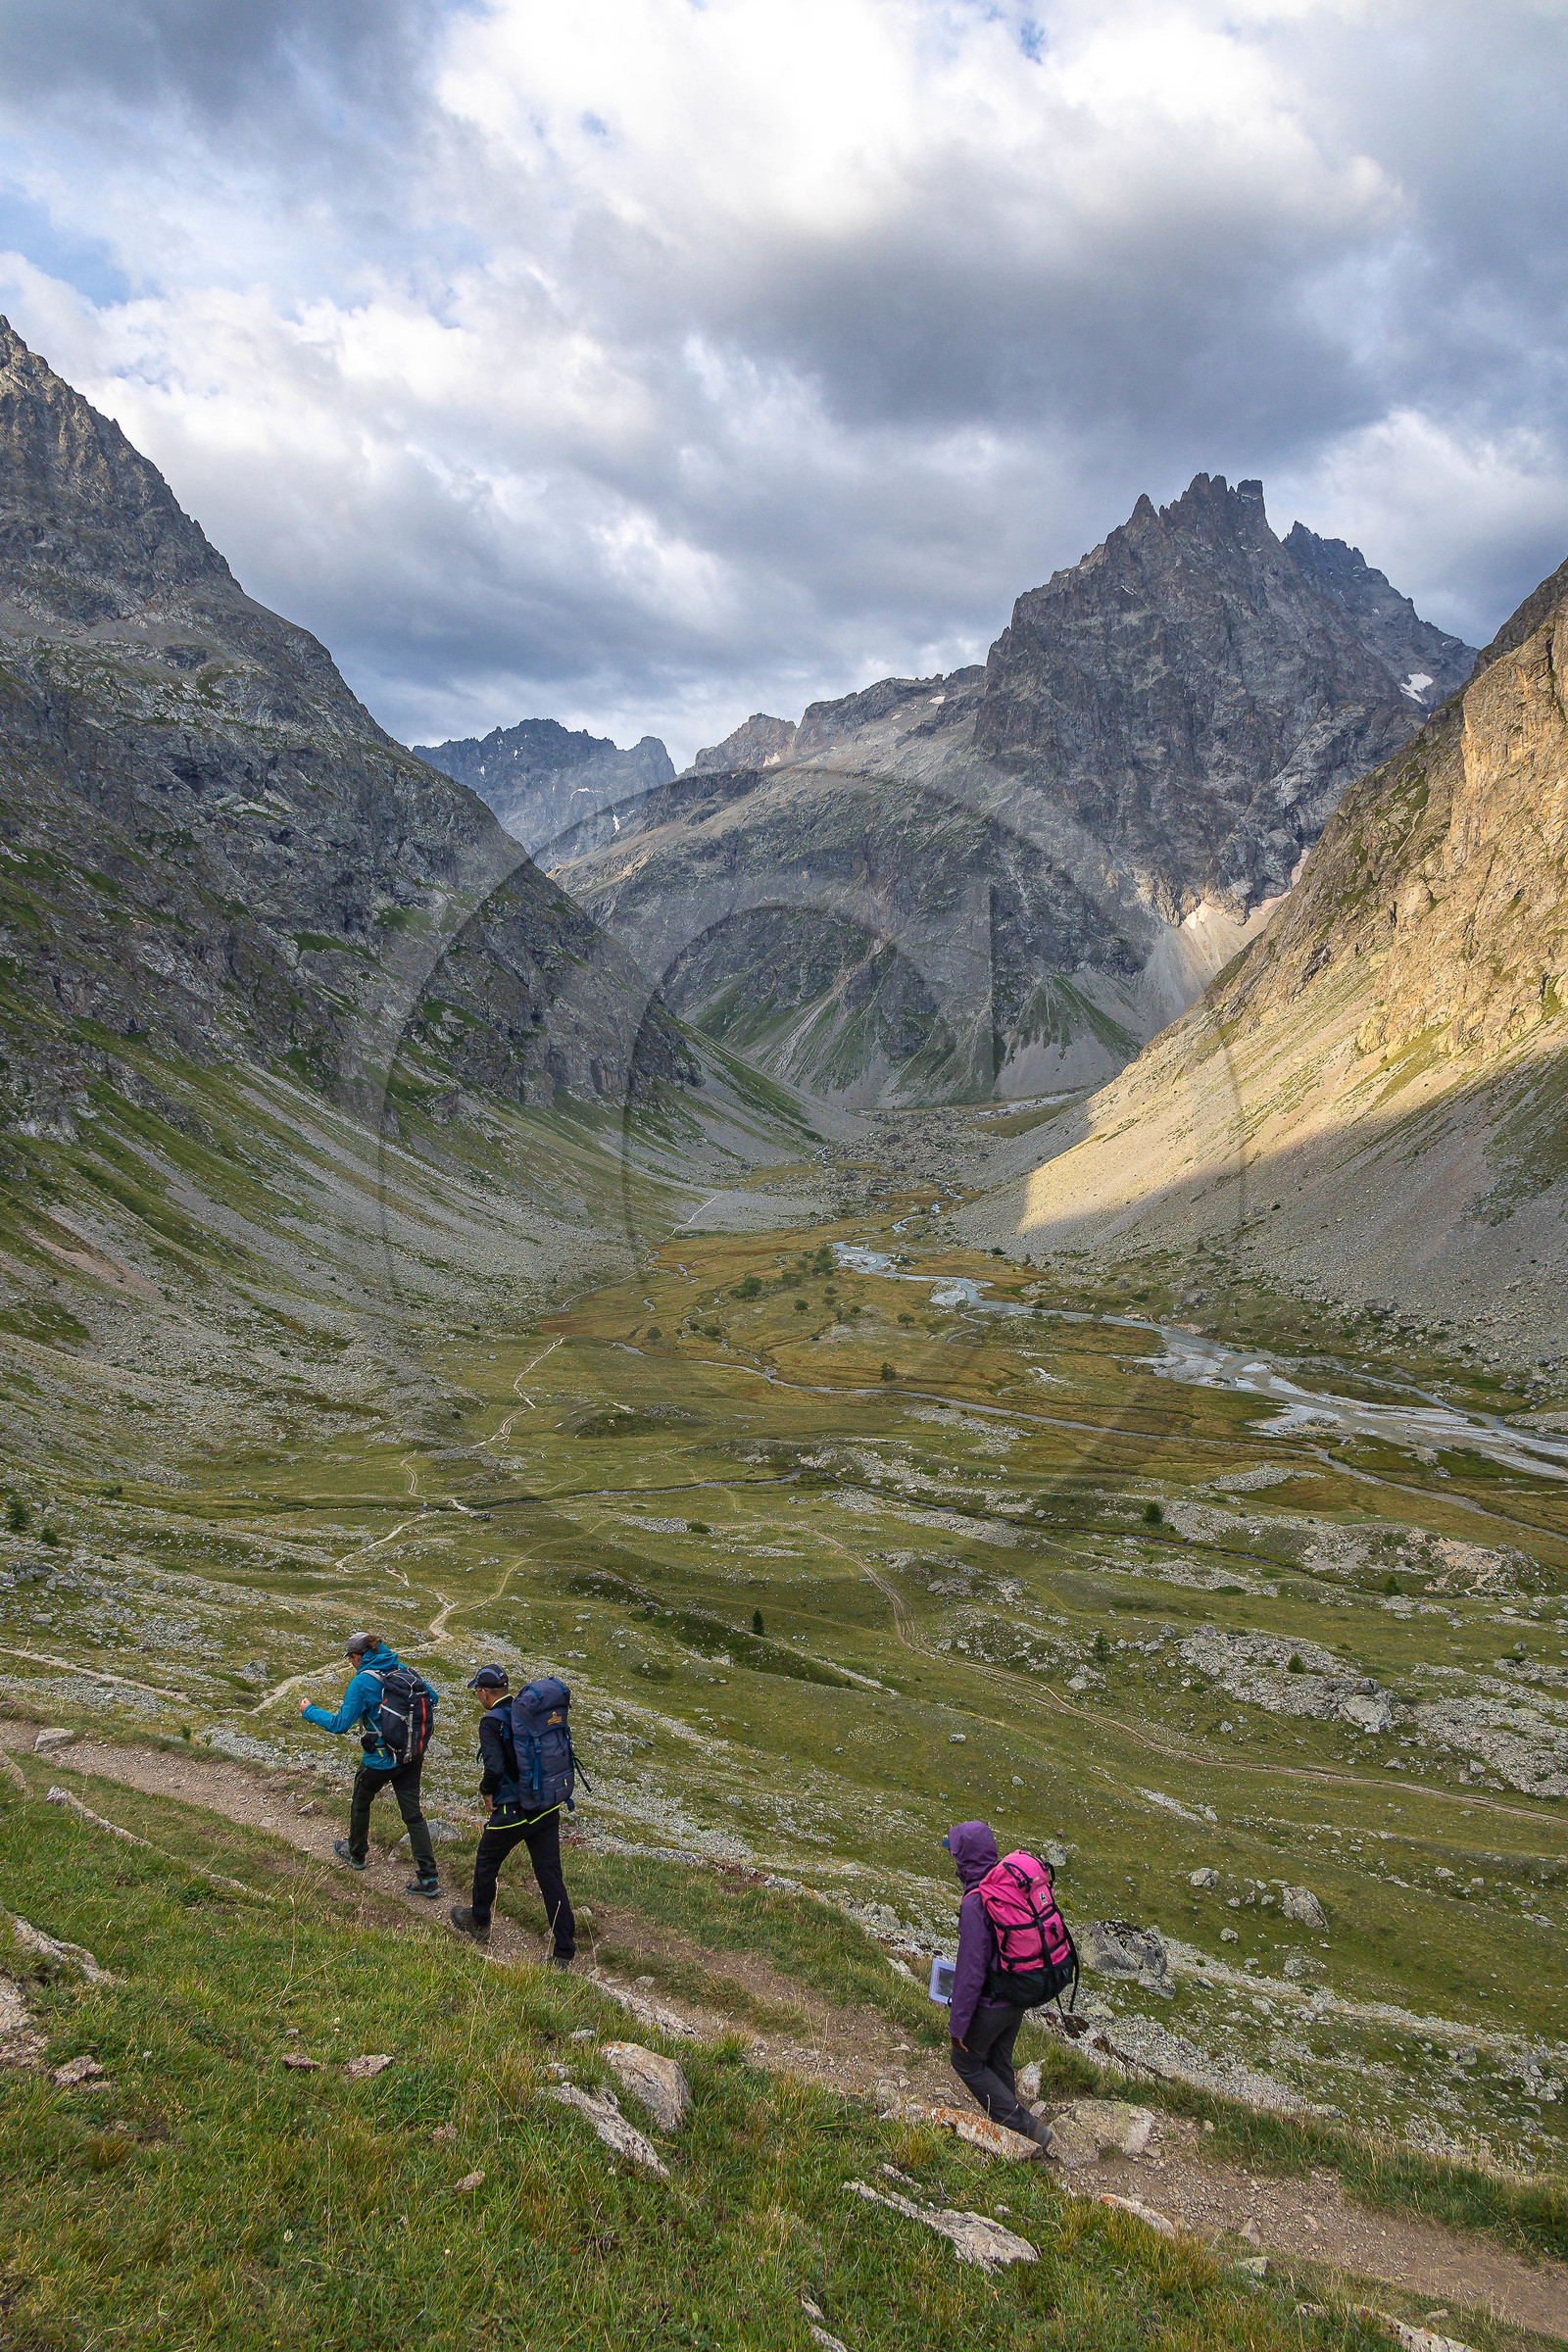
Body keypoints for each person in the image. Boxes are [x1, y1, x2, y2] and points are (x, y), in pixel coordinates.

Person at [298, 1632, 442, 1898]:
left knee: (361, 1802)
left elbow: (340, 1725)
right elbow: (431, 1697)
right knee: (414, 1816)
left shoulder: (362, 1682)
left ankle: (356, 1855)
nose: (351, 1664)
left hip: (379, 1759)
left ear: (357, 1656)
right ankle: (429, 1878)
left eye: (351, 1659)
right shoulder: (401, 1669)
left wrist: (309, 1710)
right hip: (410, 1756)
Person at [449, 1665, 575, 1965]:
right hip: (546, 1806)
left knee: (486, 1862)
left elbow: (493, 1768)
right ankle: (564, 1950)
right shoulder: (527, 1715)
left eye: (477, 1692)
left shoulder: (491, 1722)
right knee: (550, 1876)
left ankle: (479, 1921)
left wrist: (486, 1791)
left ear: (484, 1693)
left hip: (514, 1810)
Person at [944, 1820, 1054, 2153]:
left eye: (955, 1854)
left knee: (965, 2061)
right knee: (999, 2060)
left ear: (965, 1859)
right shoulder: (1007, 1888)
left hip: (993, 2002)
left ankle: (1028, 2130)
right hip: (1017, 1995)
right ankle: (1015, 2141)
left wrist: (958, 2026)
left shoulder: (976, 1903)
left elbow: (970, 1972)